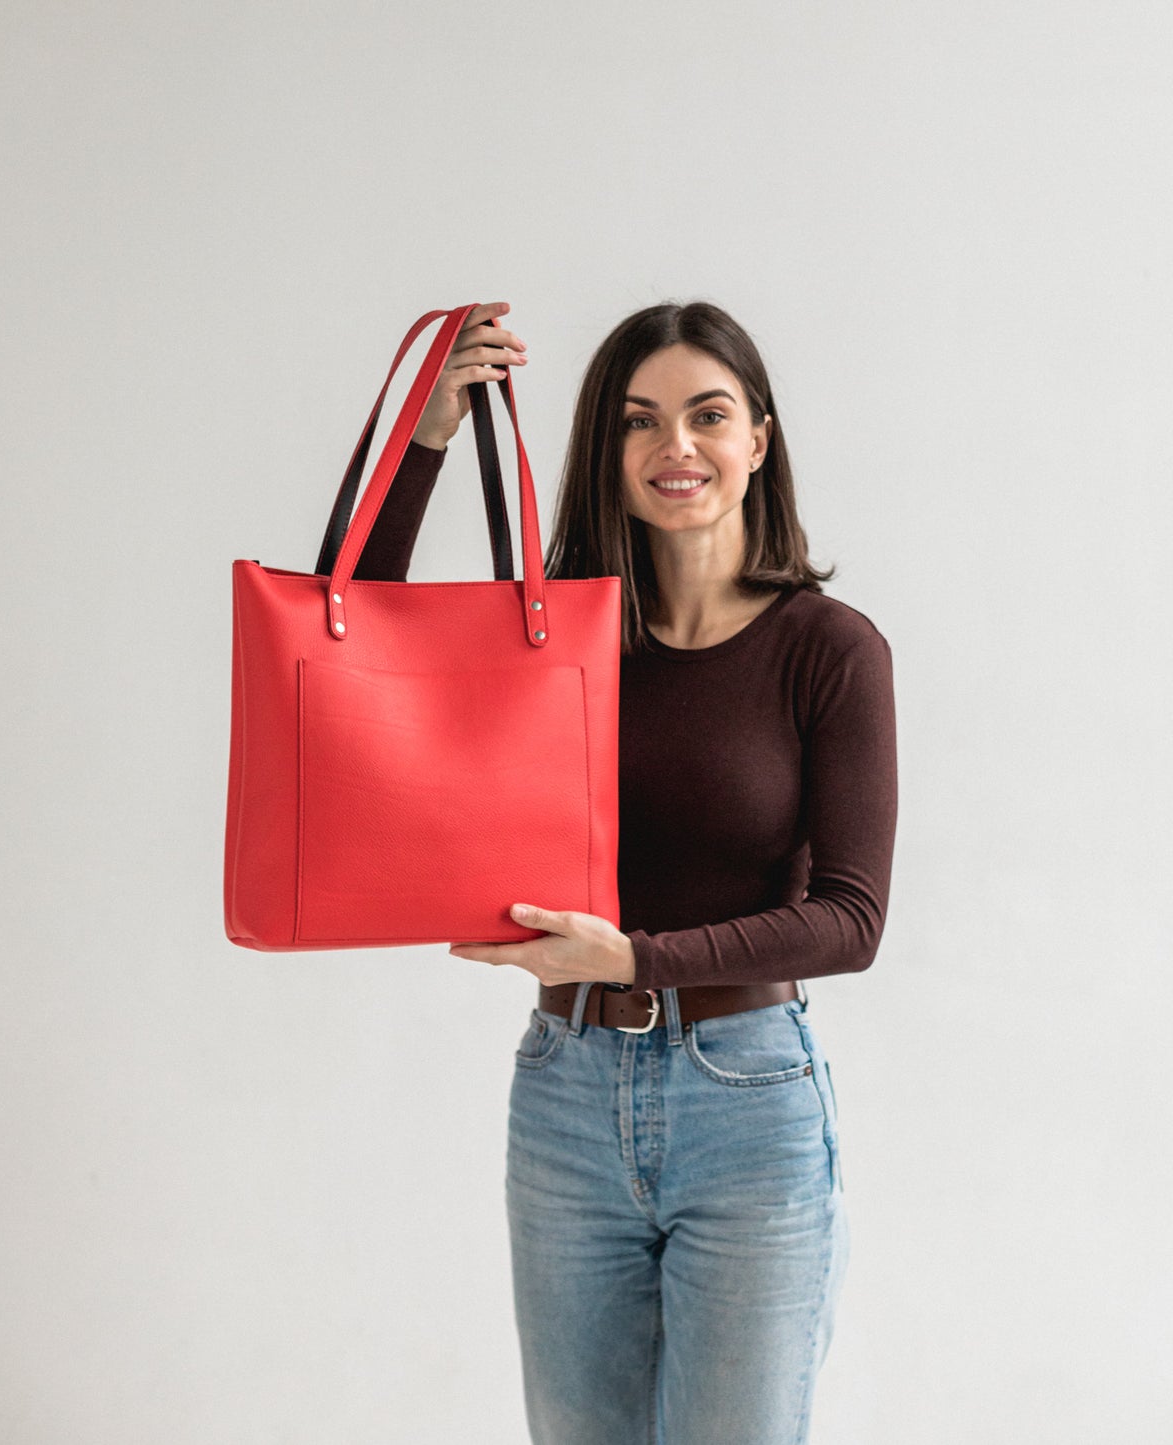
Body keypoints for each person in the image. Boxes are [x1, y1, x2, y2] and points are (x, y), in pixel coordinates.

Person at [352, 299, 898, 1445]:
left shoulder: (828, 648)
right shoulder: (559, 640)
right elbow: (369, 642)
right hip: (564, 1092)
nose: (675, 447)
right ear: (608, 451)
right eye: (639, 422)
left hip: (748, 1102)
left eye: (707, 415)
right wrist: (430, 433)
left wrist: (636, 955)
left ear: (759, 436)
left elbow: (848, 918)